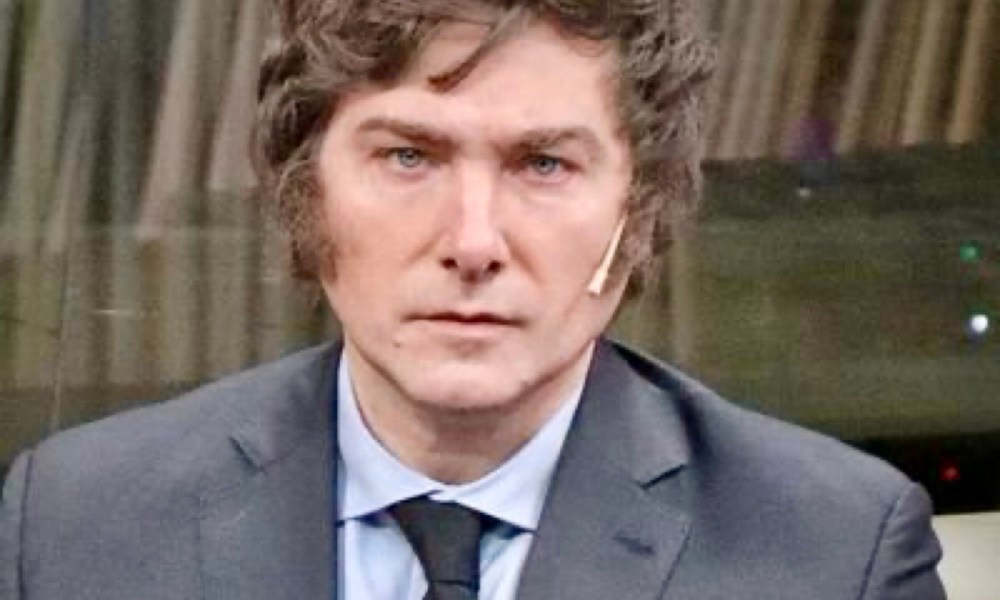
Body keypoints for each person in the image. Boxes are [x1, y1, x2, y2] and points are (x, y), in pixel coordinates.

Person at [1, 1, 946, 598]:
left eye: (544, 164)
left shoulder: (836, 553)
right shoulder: (77, 523)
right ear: (305, 194)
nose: (474, 243)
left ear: (641, 208)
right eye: (409, 156)